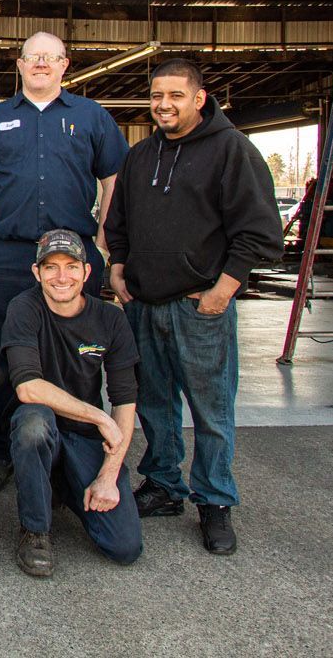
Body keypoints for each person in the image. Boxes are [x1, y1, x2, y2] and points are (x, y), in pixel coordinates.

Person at [104, 58, 283, 555]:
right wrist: (118, 266)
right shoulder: (141, 156)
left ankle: (215, 499)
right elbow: (118, 220)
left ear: (199, 98)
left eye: (175, 96)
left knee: (211, 410)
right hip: (143, 306)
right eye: (156, 96)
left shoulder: (231, 150)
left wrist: (223, 290)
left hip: (198, 308)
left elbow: (259, 232)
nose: (163, 105)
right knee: (154, 403)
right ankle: (164, 484)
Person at [0, 31, 127, 492]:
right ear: (19, 64)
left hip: (72, 255)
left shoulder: (91, 117)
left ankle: (73, 445)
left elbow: (114, 179)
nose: (41, 64)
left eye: (50, 57)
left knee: (74, 354)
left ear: (64, 65)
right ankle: (1, 452)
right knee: (3, 357)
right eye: (32, 57)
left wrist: (103, 246)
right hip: (7, 254)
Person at [3, 230, 142, 577]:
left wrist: (108, 475)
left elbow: (125, 400)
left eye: (71, 266)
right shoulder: (24, 308)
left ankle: (63, 484)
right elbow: (28, 388)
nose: (61, 277)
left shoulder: (111, 319)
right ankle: (35, 531)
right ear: (37, 273)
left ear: (87, 271)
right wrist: (99, 417)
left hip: (84, 437)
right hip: (43, 426)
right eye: (50, 267)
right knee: (32, 424)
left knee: (124, 546)